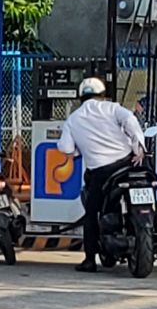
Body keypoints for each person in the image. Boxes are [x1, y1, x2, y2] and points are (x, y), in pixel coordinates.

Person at [57, 75, 146, 274]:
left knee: (91, 213)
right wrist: (138, 145)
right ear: (103, 95)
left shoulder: (73, 119)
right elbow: (130, 119)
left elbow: (66, 149)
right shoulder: (112, 108)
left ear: (81, 97)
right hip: (129, 163)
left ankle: (90, 259)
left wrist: (78, 150)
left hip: (101, 172)